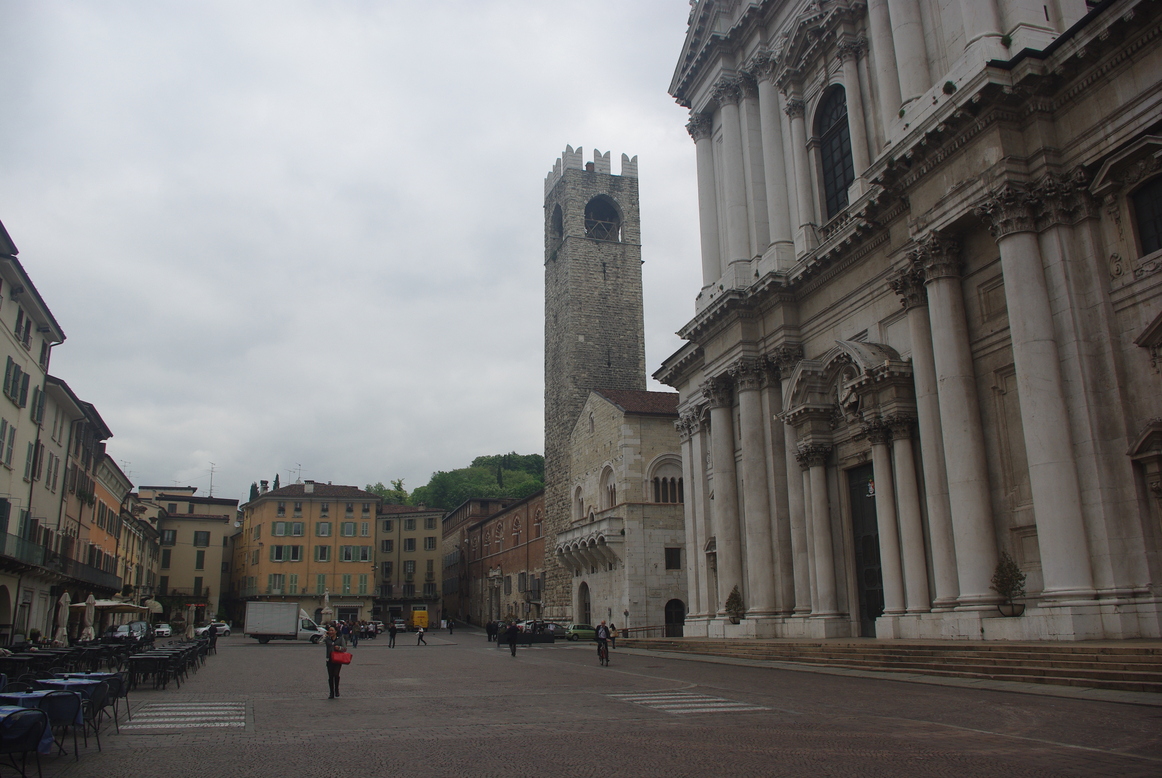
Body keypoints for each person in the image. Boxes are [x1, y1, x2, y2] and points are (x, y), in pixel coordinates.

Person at [324, 625, 347, 699]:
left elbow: (344, 648)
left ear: (336, 631)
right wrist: (324, 635)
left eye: (332, 630)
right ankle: (331, 692)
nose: (331, 632)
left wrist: (339, 648)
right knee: (330, 676)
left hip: (337, 659)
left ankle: (336, 689)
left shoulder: (340, 639)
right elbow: (319, 642)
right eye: (329, 630)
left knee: (336, 674)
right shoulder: (327, 639)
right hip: (329, 660)